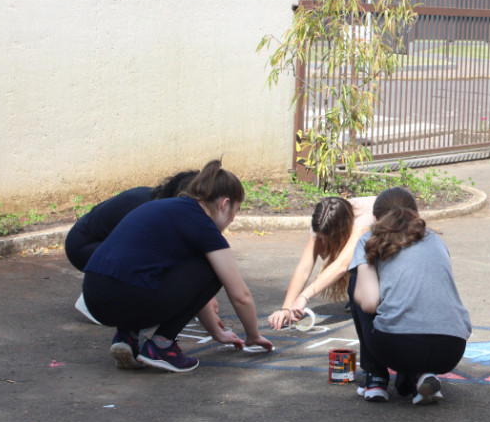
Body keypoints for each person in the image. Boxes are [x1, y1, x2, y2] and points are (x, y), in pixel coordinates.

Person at [82, 160, 275, 373]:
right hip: (126, 298)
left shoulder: (164, 206)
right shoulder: (202, 224)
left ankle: (127, 335)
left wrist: (216, 333)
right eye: (235, 211)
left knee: (150, 270)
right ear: (224, 204)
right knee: (214, 268)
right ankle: (162, 346)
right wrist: (253, 334)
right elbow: (241, 295)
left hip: (93, 297)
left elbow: (187, 289)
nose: (232, 219)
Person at [348, 187, 471, 404]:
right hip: (451, 348)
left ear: (376, 219)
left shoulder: (369, 240)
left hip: (396, 346)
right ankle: (421, 377)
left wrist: (361, 290)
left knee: (356, 281)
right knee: (414, 304)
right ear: (417, 215)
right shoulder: (434, 239)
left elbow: (368, 303)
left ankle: (375, 378)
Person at [65, 170, 199, 323]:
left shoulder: (157, 200)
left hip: (96, 241)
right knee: (155, 258)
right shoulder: (148, 207)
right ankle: (92, 299)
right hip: (83, 246)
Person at [267, 195, 377, 330]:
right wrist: (286, 308)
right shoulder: (321, 221)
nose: (323, 244)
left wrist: (304, 296)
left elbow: (342, 265)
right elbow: (304, 267)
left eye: (327, 239)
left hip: (398, 239)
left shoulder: (364, 221)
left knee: (361, 271)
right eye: (321, 238)